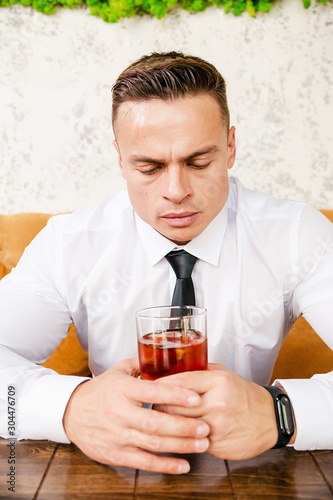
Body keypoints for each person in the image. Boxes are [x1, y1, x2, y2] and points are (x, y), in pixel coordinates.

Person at [0, 51, 333, 475]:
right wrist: (69, 407)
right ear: (120, 160)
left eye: (199, 162)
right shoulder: (68, 244)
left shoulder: (294, 233)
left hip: (250, 474)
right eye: (149, 166)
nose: (176, 191)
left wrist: (282, 414)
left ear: (230, 148)